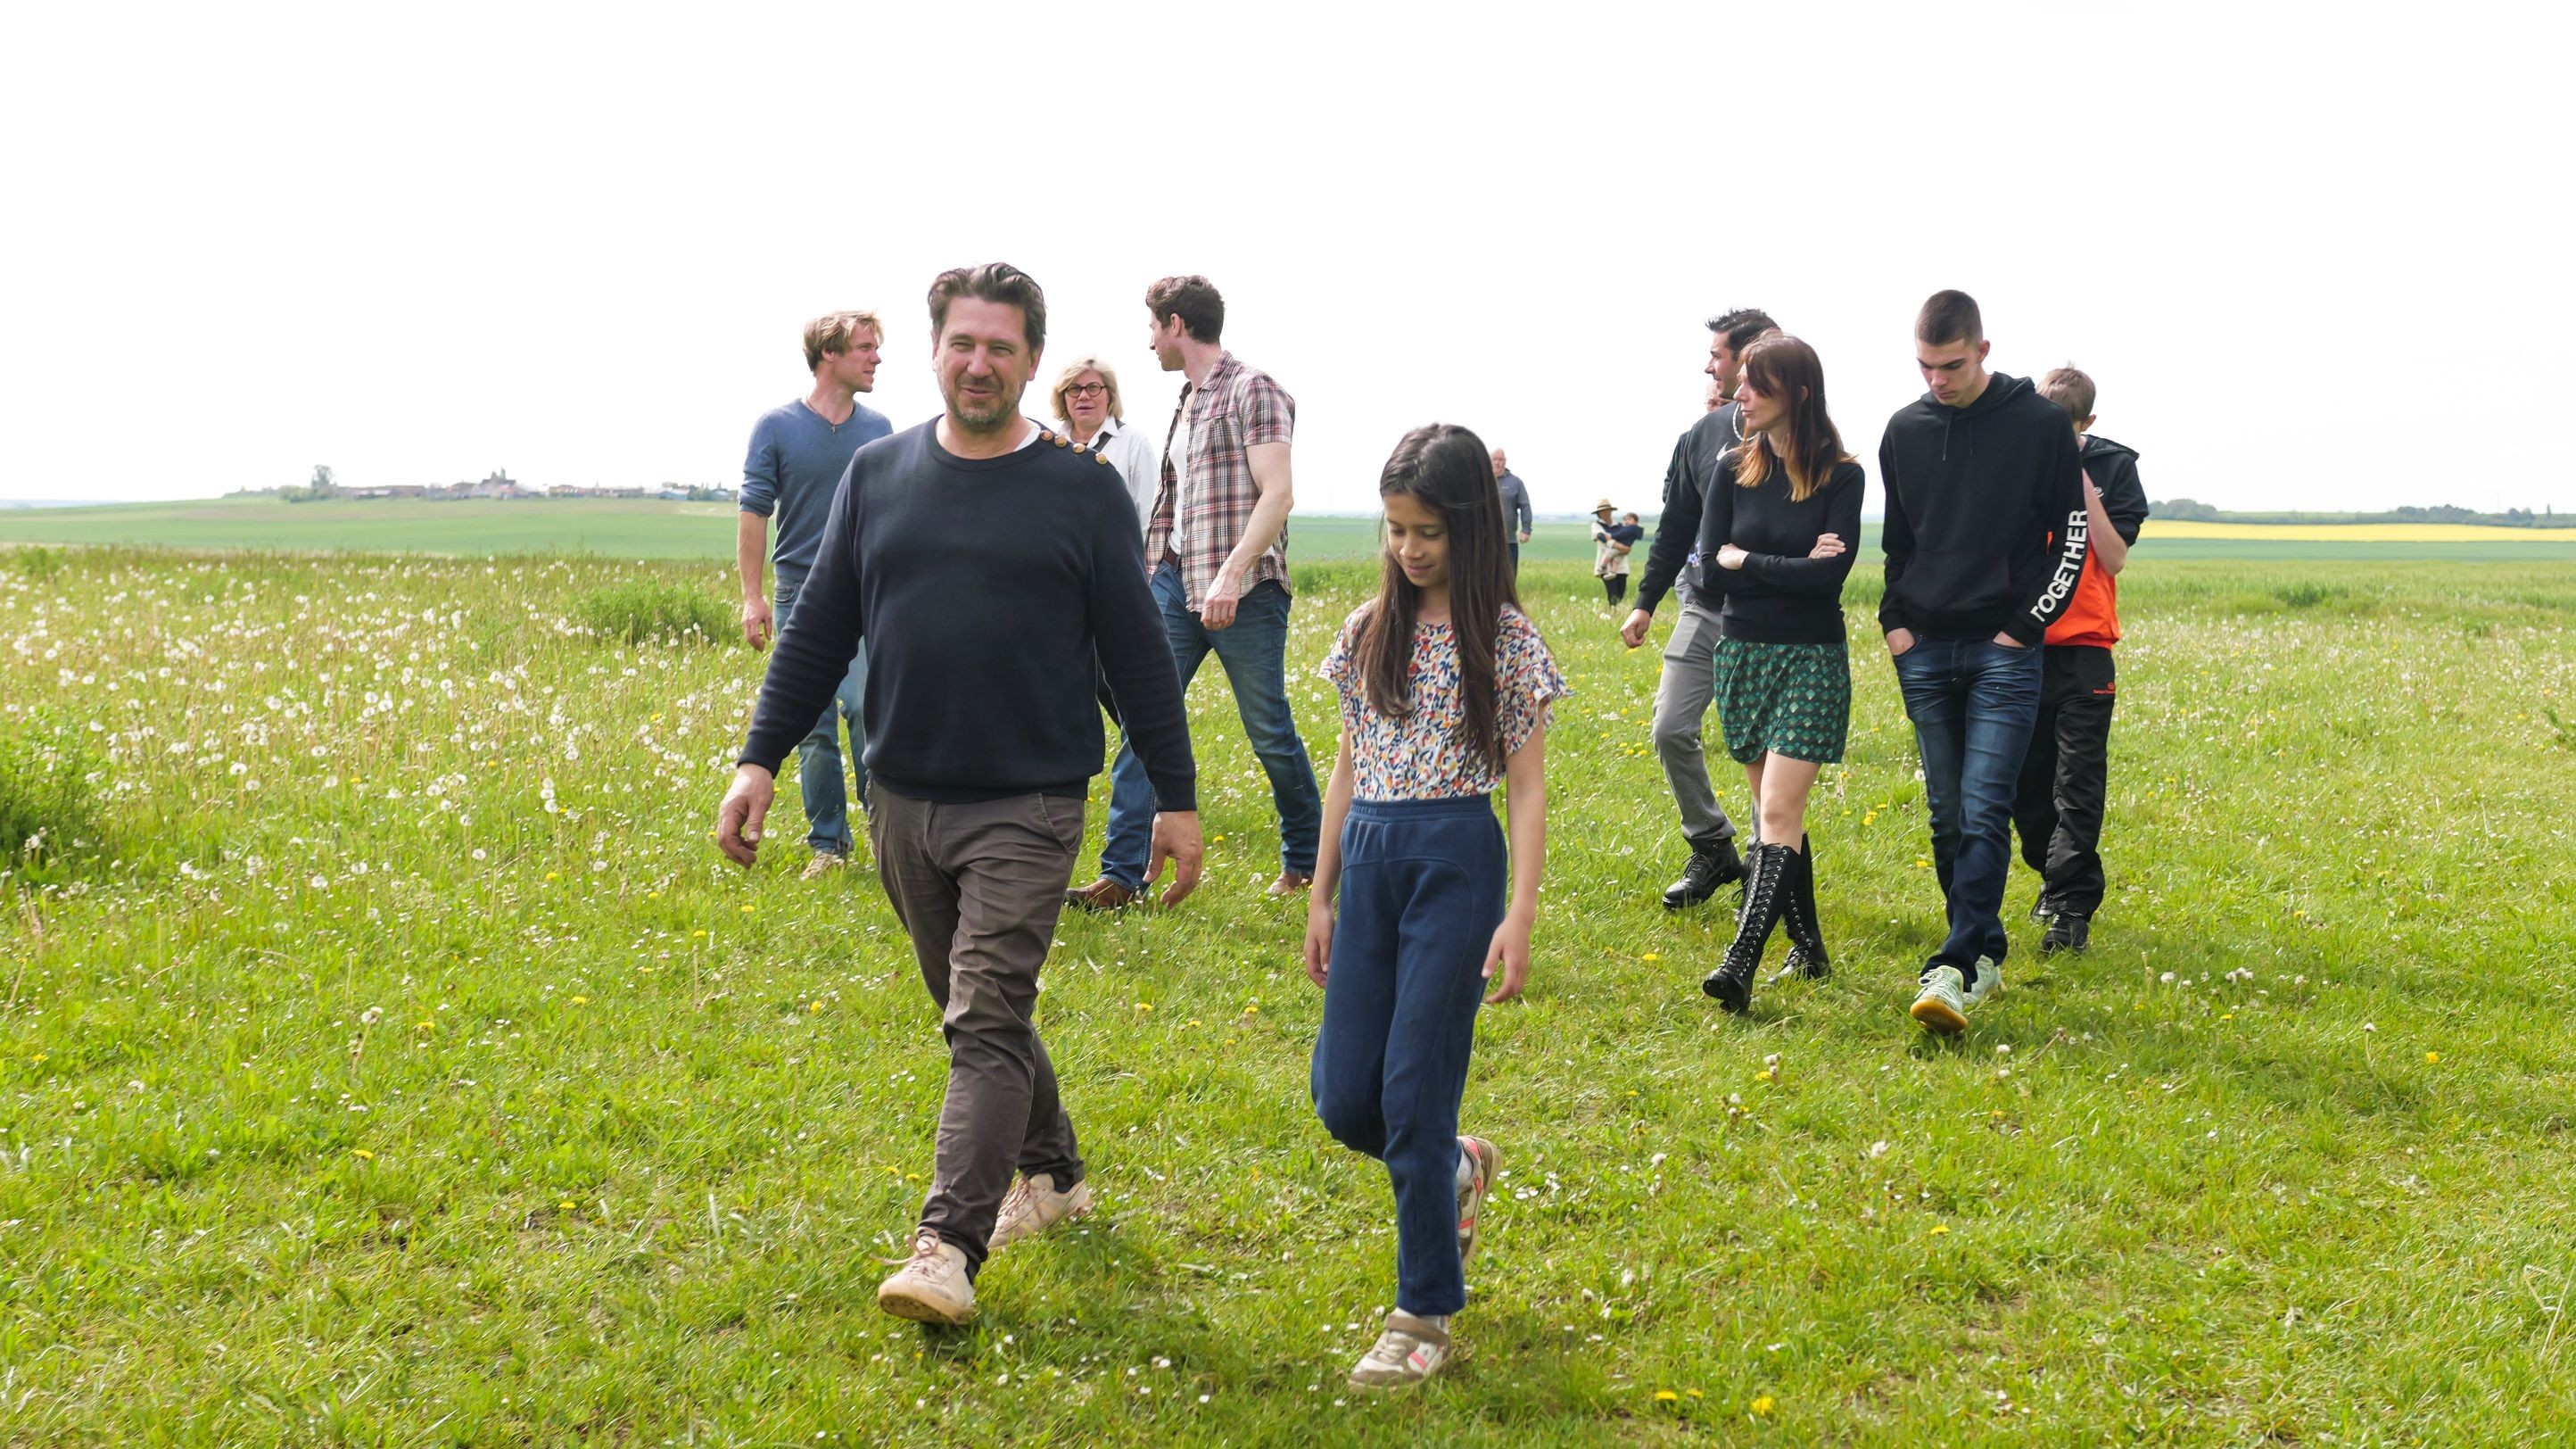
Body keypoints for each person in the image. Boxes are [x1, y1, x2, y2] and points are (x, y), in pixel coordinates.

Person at [714, 262, 1206, 1326]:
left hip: (1029, 802)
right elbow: (818, 630)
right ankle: (1056, 1175)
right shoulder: (878, 474)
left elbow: (1135, 652)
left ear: (1032, 361)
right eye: (962, 344)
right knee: (984, 1012)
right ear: (937, 351)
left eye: (1001, 347)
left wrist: (1174, 794)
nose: (979, 363)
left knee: (982, 1020)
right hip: (899, 799)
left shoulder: (1078, 489)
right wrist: (758, 759)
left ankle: (945, 1248)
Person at [1306, 422, 1565, 1388]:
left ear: (1470, 528)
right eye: (1395, 529)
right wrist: (1320, 891)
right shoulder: (1364, 631)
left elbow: (1526, 788)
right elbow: (1345, 768)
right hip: (1370, 859)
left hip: (1456, 861)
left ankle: (1424, 1312)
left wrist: (1520, 912)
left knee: (1413, 1095)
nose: (1409, 548)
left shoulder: (1505, 640)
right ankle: (1453, 1168)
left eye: (1428, 531)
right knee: (1345, 1100)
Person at [1069, 275, 1323, 910]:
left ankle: (1307, 861)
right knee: (1144, 721)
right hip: (1175, 583)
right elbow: (1175, 506)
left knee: (1269, 731)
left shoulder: (1254, 389)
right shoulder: (1187, 400)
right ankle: (1121, 876)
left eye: (1154, 327)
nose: (1150, 341)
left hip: (1245, 592)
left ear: (1176, 325)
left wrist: (1231, 575)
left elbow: (1279, 493)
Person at [1879, 291, 2090, 1035]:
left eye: (1952, 365)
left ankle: (1958, 964)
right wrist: (1895, 622)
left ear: (1984, 351)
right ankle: (1985, 951)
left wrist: (2024, 627)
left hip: (2004, 649)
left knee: (1983, 806)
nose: (1937, 380)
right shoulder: (1904, 429)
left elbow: (2071, 536)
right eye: (1925, 367)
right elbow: (1898, 542)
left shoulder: (2038, 424)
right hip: (1924, 648)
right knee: (1947, 816)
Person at [1689, 335, 1864, 1011]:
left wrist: (1748, 561)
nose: (1739, 394)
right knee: (1773, 812)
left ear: (1798, 393)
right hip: (1742, 655)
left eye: (1755, 386)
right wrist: (1782, 566)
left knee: (1779, 810)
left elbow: (1829, 579)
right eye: (1741, 383)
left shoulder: (1842, 477)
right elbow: (1708, 570)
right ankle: (1809, 947)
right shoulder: (1732, 468)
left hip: (1811, 658)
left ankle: (1739, 962)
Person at [1622, 308, 1778, 910]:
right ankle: (1711, 844)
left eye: (1717, 354)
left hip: (1770, 617)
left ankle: (1767, 865)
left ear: (1749, 356)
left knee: (1764, 746)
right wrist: (1644, 602)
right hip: (1705, 606)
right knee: (1669, 726)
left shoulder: (1801, 434)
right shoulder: (1701, 436)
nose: (1709, 366)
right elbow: (1675, 527)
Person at [737, 310, 896, 878]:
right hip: (798, 592)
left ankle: (886, 833)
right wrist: (752, 597)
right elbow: (754, 511)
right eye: (865, 348)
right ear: (829, 353)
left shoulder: (879, 429)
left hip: (862, 592)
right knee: (812, 725)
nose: (876, 357)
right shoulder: (776, 427)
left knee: (867, 709)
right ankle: (828, 845)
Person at [2013, 366, 2148, 955]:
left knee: (2078, 786)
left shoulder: (2115, 467)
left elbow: (2114, 558)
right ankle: (2054, 878)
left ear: (2087, 422)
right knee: (2025, 791)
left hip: (2087, 650)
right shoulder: (2018, 459)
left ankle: (2071, 908)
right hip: (2021, 647)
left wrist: (2081, 481)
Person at [1051, 358, 1160, 533]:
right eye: (1074, 389)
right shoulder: (1051, 448)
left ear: (1109, 395)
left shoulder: (1134, 444)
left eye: (1093, 388)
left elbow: (1151, 518)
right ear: (1063, 397)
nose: (1083, 396)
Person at [1490, 447, 1535, 571]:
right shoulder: (1481, 482)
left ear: (1505, 461)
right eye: (1494, 459)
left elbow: (1525, 506)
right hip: (1486, 542)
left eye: (1501, 459)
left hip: (1509, 541)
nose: (1498, 463)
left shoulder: (1515, 482)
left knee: (1509, 576)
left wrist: (1526, 529)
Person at [1590, 499, 1637, 606]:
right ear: (1599, 513)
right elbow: (1602, 537)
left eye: (1607, 510)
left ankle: (1615, 611)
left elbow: (1628, 541)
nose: (1605, 513)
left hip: (1621, 564)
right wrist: (1621, 547)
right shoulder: (1596, 525)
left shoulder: (1620, 526)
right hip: (1605, 565)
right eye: (1603, 511)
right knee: (1612, 593)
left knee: (1621, 592)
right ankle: (1613, 611)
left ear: (1611, 511)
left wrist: (1626, 548)